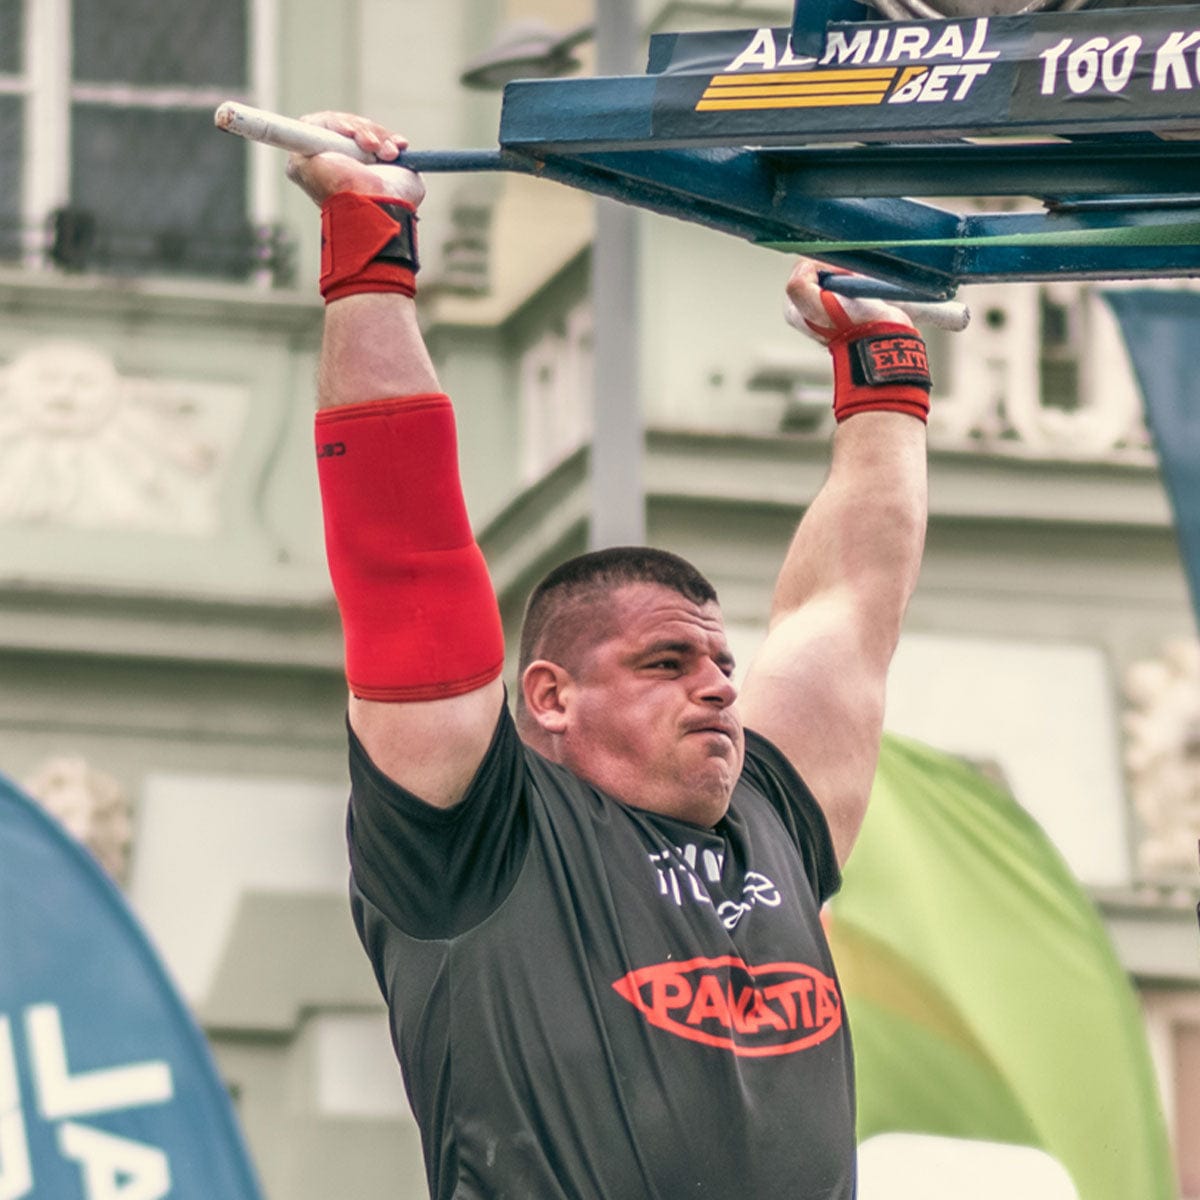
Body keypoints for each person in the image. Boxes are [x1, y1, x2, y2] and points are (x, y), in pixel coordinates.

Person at [288, 110, 929, 1200]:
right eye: (666, 664)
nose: (718, 688)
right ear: (549, 696)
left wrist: (882, 373)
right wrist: (368, 244)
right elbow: (405, 561)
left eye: (721, 664)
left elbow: (851, 601)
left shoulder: (772, 815)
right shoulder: (473, 838)